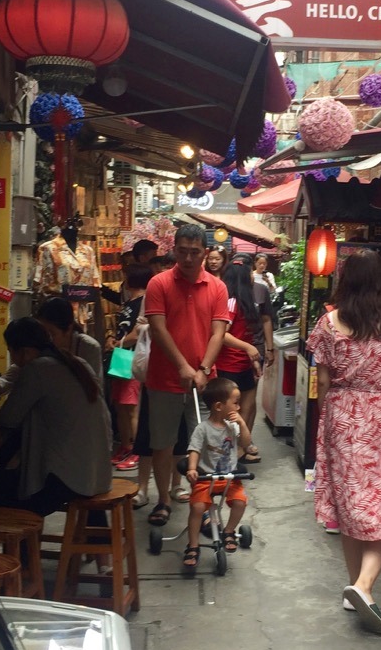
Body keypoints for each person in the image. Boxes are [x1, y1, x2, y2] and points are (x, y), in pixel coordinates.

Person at [307, 249, 381, 635]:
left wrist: (329, 420)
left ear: (346, 279)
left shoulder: (328, 322)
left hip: (340, 414)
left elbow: (322, 381)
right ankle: (364, 585)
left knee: (350, 502)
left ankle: (355, 585)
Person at [143, 224, 231, 528]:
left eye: (195, 252)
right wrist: (182, 366)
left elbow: (218, 332)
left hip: (205, 383)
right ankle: (163, 500)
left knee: (207, 444)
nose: (189, 258)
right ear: (174, 250)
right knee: (163, 444)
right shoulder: (159, 283)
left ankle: (203, 505)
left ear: (205, 252)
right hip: (163, 379)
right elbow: (158, 328)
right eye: (183, 252)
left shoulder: (217, 287)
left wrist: (204, 369)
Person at [0, 316, 112, 517]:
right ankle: (97, 533)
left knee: (6, 486)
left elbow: (8, 418)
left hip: (67, 481)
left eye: (11, 352)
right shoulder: (76, 362)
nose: (13, 359)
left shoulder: (37, 369)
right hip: (98, 472)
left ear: (25, 351)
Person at [183, 377, 252, 572]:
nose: (238, 407)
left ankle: (229, 530)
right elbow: (194, 449)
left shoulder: (233, 426)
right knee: (197, 507)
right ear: (219, 406)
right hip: (206, 478)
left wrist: (242, 424)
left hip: (230, 478)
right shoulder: (202, 429)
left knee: (240, 502)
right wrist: (192, 468)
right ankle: (193, 545)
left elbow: (246, 443)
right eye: (235, 403)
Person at [221, 255, 275, 462]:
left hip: (243, 363)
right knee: (233, 411)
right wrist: (248, 348)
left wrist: (252, 356)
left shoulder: (243, 301)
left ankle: (240, 449)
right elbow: (222, 334)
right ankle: (232, 453)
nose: (253, 276)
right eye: (249, 274)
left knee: (247, 407)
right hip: (230, 364)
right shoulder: (232, 302)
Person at [109, 264, 152, 474]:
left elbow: (137, 333)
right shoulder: (128, 301)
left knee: (132, 406)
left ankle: (137, 450)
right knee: (120, 404)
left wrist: (118, 343)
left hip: (132, 356)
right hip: (121, 355)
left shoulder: (144, 301)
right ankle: (125, 446)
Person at [36, 296, 103, 389]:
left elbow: (95, 389)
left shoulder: (89, 347)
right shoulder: (41, 347)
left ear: (68, 329)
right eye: (43, 332)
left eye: (52, 333)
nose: (46, 339)